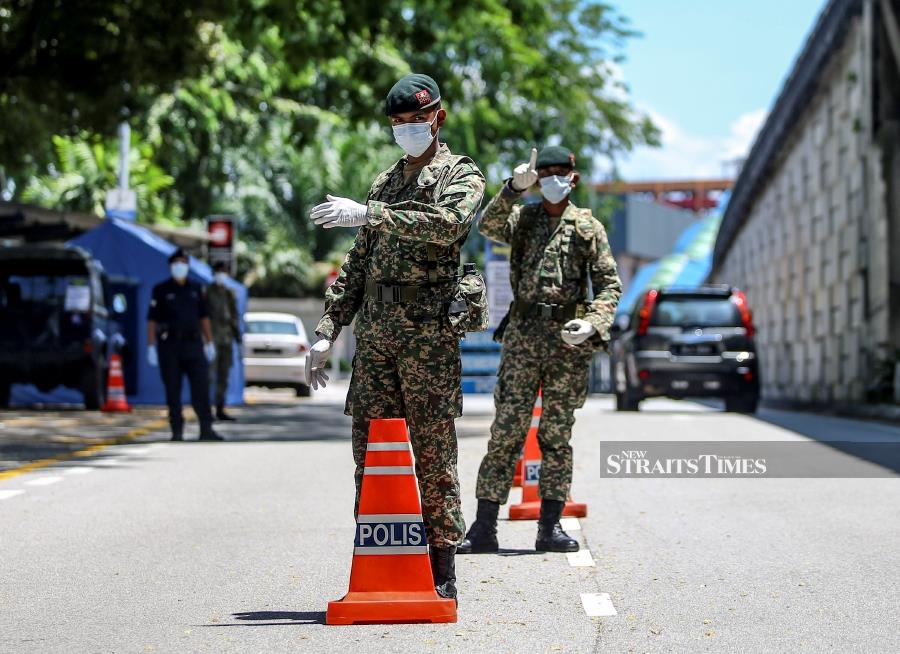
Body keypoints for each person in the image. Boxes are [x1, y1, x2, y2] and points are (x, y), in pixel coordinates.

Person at [305, 73, 485, 603]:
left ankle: (441, 566)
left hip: (427, 337)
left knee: (432, 450)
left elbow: (448, 224)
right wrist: (326, 330)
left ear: (438, 118)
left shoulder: (460, 174)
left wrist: (370, 214)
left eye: (416, 121)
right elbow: (358, 265)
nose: (408, 130)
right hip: (378, 338)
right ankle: (379, 557)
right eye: (399, 123)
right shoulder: (384, 184)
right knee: (373, 451)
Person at [460, 145, 621, 554]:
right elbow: (488, 225)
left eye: (557, 173)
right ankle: (484, 526)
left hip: (568, 341)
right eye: (543, 173)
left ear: (573, 178)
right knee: (507, 431)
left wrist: (593, 322)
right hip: (523, 337)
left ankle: (549, 526)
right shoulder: (524, 218)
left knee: (555, 433)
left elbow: (609, 285)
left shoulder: (588, 227)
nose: (550, 179)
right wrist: (514, 188)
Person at [147, 249, 223, 442]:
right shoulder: (161, 289)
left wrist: (209, 342)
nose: (180, 266)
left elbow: (203, 317)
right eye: (176, 263)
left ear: (188, 266)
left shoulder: (196, 289)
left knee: (201, 387)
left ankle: (206, 428)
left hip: (194, 344)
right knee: (173, 388)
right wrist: (150, 346)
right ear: (171, 266)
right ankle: (176, 430)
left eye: (183, 262)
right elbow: (151, 320)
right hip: (170, 345)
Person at [206, 261, 241, 421]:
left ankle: (220, 408)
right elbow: (203, 317)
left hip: (226, 339)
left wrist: (238, 339)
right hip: (212, 338)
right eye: (219, 271)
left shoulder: (229, 293)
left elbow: (234, 317)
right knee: (209, 375)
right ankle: (206, 409)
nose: (222, 274)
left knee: (223, 375)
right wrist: (206, 340)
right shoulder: (207, 292)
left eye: (224, 271)